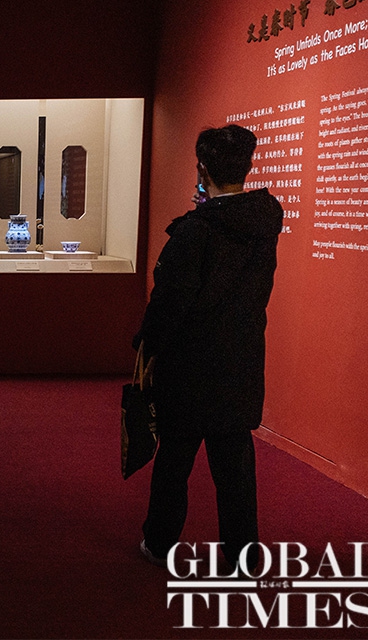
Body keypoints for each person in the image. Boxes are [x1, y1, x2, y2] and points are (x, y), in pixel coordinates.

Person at [134, 124, 283, 571]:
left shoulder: (195, 232)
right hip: (240, 359)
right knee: (235, 465)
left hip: (189, 366)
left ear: (202, 169)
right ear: (247, 166)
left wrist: (147, 346)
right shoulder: (263, 223)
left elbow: (169, 303)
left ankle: (160, 542)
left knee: (175, 459)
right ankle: (243, 555)